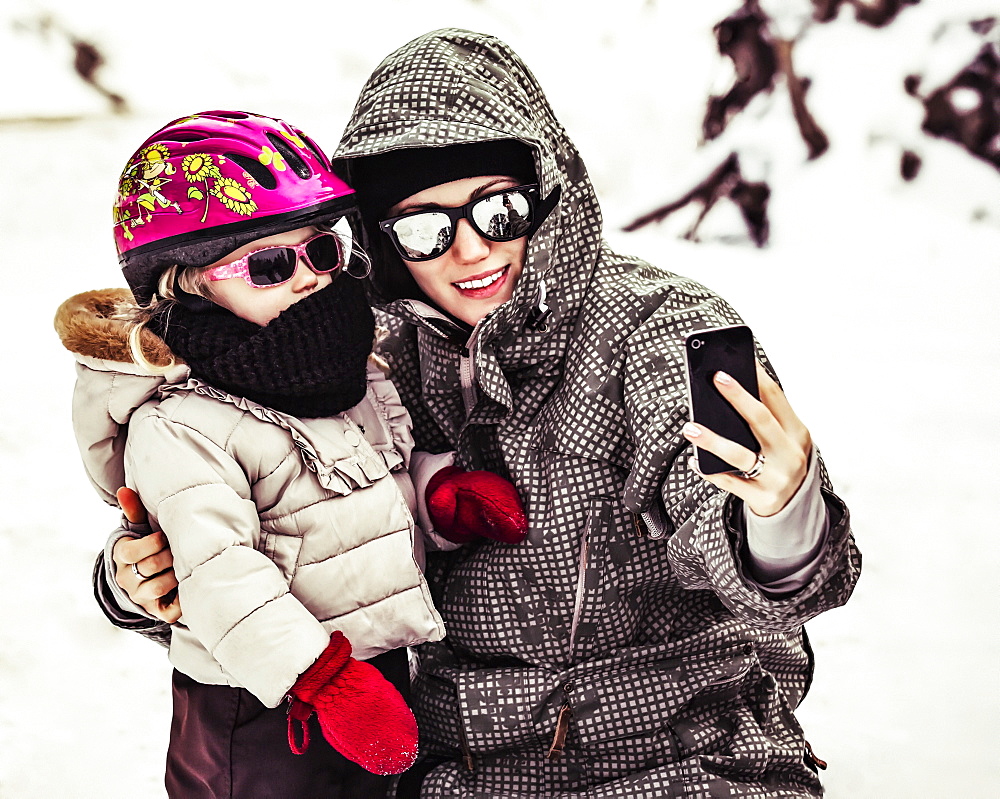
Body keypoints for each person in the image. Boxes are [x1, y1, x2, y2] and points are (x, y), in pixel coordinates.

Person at [96, 30, 861, 798]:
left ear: (546, 194)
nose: (469, 251)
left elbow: (753, 548)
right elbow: (236, 514)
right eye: (425, 227)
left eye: (499, 210)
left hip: (676, 756)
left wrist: (781, 513)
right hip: (451, 770)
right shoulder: (350, 351)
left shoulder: (654, 327)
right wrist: (137, 579)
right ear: (382, 239)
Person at [56, 110, 526, 798]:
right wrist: (322, 678)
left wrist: (436, 496)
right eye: (271, 264)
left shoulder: (337, 369)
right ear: (185, 283)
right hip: (262, 706)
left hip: (372, 677)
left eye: (320, 252)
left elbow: (375, 479)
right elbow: (222, 575)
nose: (307, 277)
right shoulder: (181, 424)